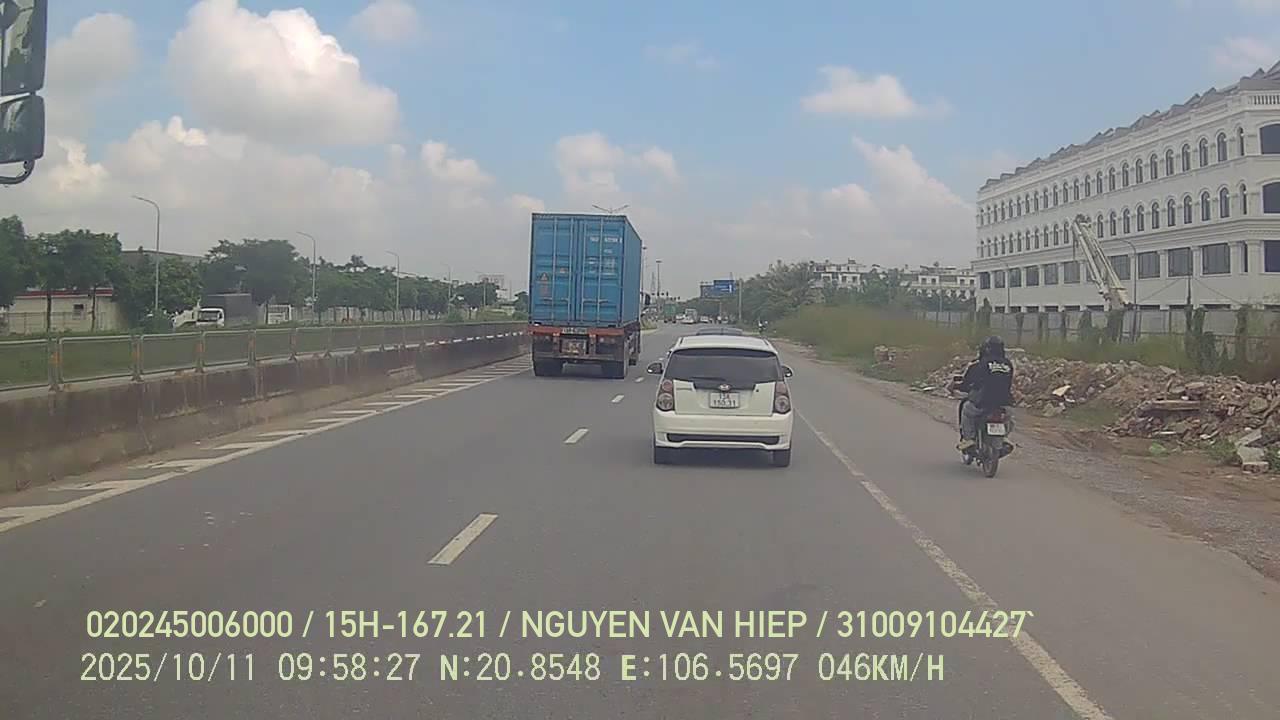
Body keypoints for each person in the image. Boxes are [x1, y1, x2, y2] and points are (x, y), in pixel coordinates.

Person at [951, 336, 1014, 452]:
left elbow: (969, 383)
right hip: (1005, 404)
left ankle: (969, 438)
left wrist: (957, 386)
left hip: (983, 403)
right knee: (1008, 418)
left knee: (966, 409)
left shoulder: (979, 364)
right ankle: (1004, 437)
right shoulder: (1008, 364)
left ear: (985, 349)